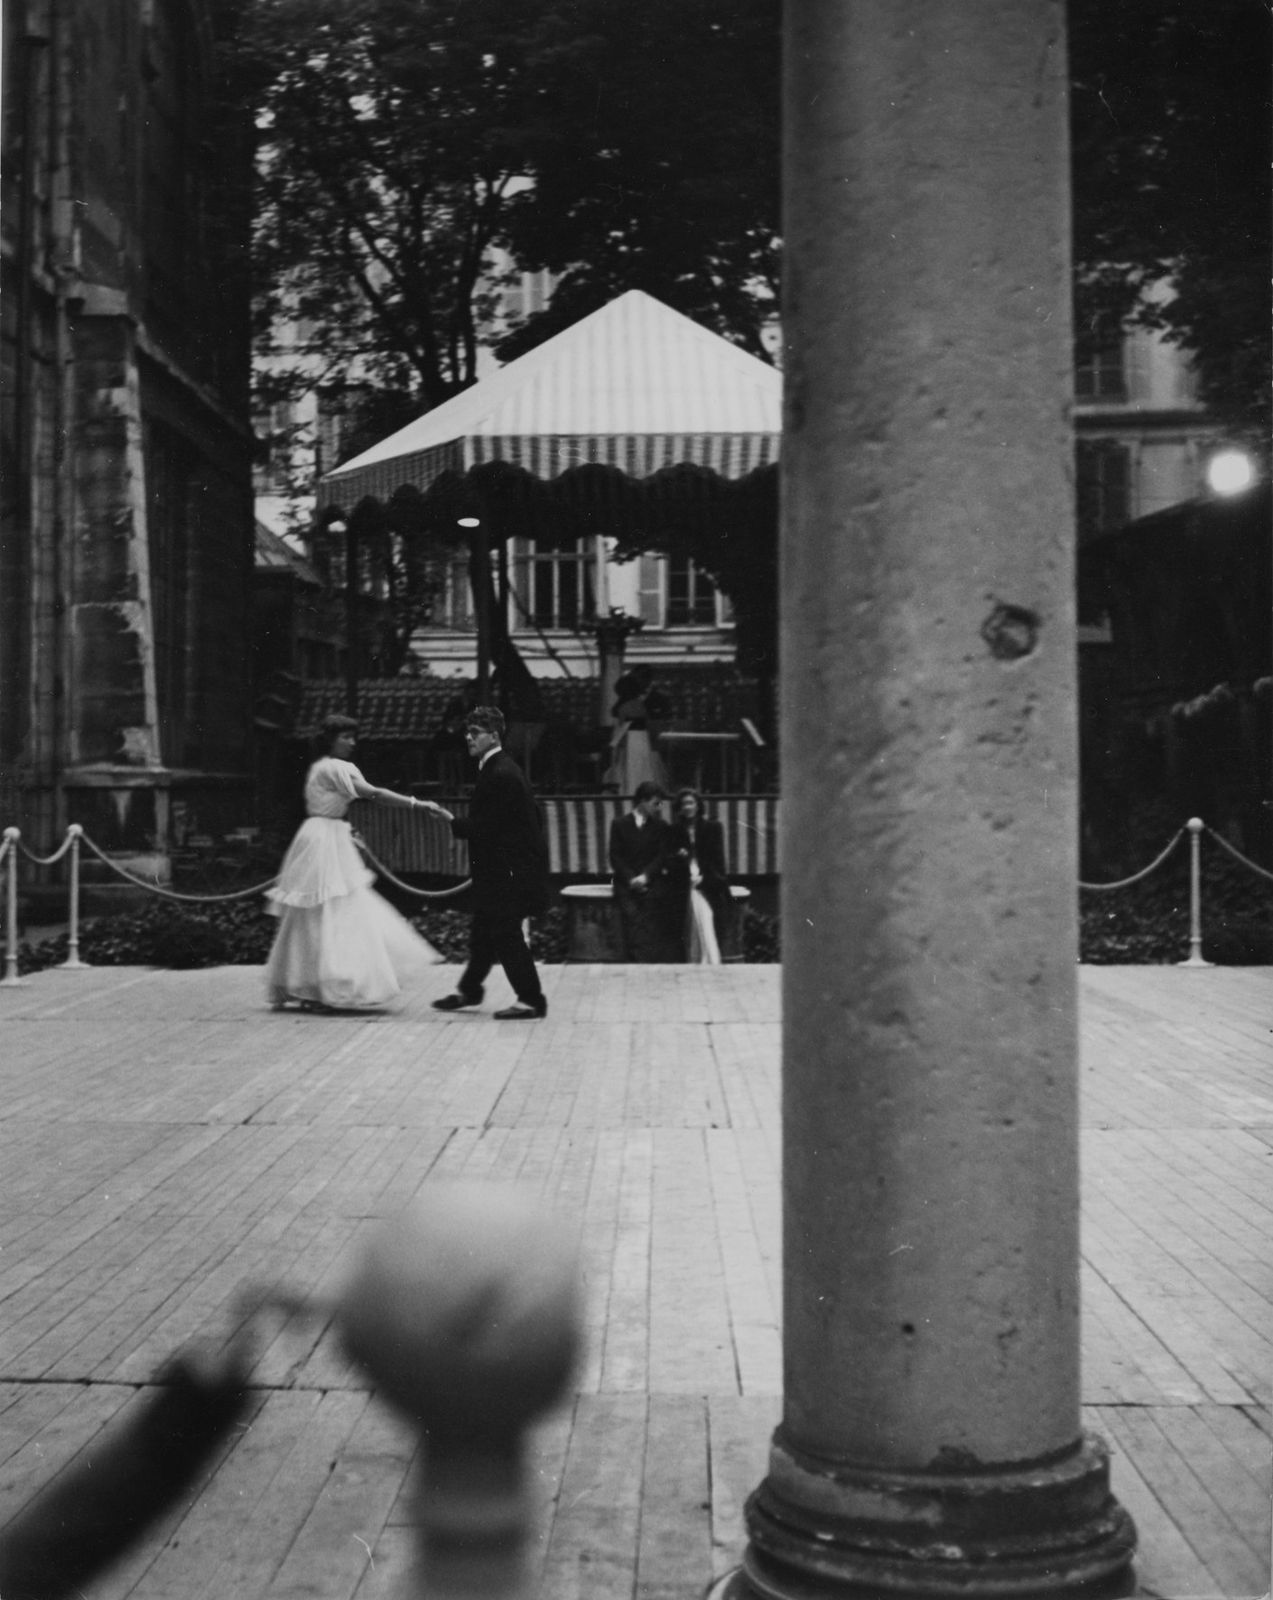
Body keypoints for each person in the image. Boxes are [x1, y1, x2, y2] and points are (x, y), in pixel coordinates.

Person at [264, 715, 442, 1011]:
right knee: (331, 908)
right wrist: (416, 804)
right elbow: (373, 793)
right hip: (324, 840)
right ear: (331, 739)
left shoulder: (319, 767)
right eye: (346, 736)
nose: (352, 742)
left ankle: (314, 984)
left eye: (352, 736)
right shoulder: (336, 767)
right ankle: (328, 984)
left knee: (323, 910)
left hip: (322, 834)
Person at [427, 705, 551, 1019]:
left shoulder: (499, 772)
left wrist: (450, 820)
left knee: (507, 933)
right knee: (484, 932)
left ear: (494, 735)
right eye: (467, 732)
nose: (468, 738)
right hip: (503, 870)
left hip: (506, 873)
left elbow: (488, 828)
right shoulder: (500, 767)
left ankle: (532, 1000)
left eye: (475, 733)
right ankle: (469, 990)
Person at [608, 781, 678, 961]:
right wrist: (632, 879)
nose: (659, 807)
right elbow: (616, 857)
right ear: (642, 801)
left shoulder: (661, 826)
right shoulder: (619, 824)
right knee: (631, 920)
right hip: (626, 884)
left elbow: (661, 856)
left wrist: (645, 877)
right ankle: (636, 963)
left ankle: (648, 964)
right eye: (656, 803)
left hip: (652, 882)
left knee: (652, 922)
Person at [665, 787, 732, 964]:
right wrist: (679, 857)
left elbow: (718, 860)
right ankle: (694, 961)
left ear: (698, 805)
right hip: (684, 886)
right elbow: (668, 862)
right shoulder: (674, 830)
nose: (688, 807)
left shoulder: (713, 828)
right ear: (679, 807)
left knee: (706, 919)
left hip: (708, 884)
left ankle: (710, 960)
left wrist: (708, 879)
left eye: (691, 802)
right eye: (684, 803)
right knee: (690, 927)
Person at [605, 663, 670, 795]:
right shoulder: (641, 706)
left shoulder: (623, 707)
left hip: (630, 740)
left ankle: (630, 792)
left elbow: (621, 728)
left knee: (630, 769)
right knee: (644, 768)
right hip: (643, 739)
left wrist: (614, 745)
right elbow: (646, 723)